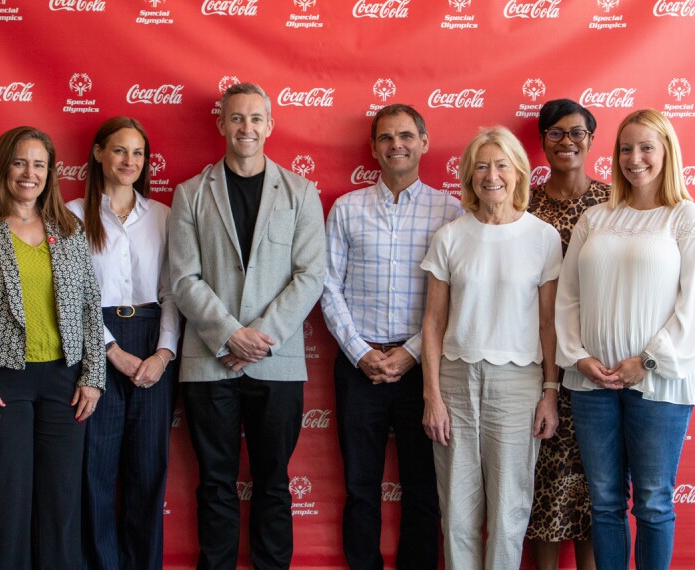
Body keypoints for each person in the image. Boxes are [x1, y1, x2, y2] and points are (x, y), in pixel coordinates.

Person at [168, 82, 325, 569]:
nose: (246, 128)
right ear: (221, 124)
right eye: (237, 118)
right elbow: (182, 277)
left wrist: (257, 339)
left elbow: (310, 275)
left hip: (275, 364)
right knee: (214, 483)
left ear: (270, 125)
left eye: (256, 118)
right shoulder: (190, 193)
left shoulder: (301, 193)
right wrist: (229, 334)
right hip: (209, 362)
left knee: (273, 481)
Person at [0, 126, 105, 569]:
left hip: (63, 382)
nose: (29, 173)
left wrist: (93, 377)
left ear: (50, 172)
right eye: (20, 162)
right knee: (1, 507)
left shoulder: (67, 229)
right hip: (0, 383)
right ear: (3, 167)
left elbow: (91, 306)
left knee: (60, 507)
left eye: (39, 164)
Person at [321, 104, 461, 569]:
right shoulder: (347, 208)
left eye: (405, 135)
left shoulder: (451, 210)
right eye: (385, 137)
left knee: (424, 488)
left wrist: (410, 353)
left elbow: (457, 295)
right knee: (361, 487)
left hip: (425, 370)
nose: (395, 144)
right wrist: (360, 353)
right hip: (358, 366)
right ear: (374, 147)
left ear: (423, 141)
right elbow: (327, 285)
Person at [556, 109, 695, 570]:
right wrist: (577, 357)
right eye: (626, 148)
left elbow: (691, 306)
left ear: (667, 152)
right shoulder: (595, 218)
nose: (635, 158)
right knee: (605, 504)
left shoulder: (685, 218)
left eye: (646, 147)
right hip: (591, 384)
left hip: (658, 385)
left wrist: (647, 361)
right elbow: (568, 296)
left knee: (653, 503)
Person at [421, 126, 562, 570]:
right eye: (481, 166)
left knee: (509, 512)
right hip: (455, 383)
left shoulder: (542, 237)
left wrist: (550, 392)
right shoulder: (449, 237)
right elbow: (433, 322)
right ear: (468, 175)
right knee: (457, 513)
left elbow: (547, 323)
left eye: (501, 165)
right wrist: (432, 396)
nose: (491, 175)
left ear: (518, 172)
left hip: (518, 383)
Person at [68, 116, 181, 569]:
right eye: (119, 150)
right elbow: (72, 296)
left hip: (154, 340)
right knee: (95, 473)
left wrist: (164, 352)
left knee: (148, 474)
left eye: (138, 153)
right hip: (96, 347)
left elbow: (174, 289)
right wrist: (111, 352)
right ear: (98, 153)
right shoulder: (71, 214)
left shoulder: (163, 215)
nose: (129, 161)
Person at [525, 98, 610, 570]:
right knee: (545, 484)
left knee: (598, 488)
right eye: (555, 133)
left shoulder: (613, 203)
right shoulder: (524, 203)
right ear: (541, 142)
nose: (567, 142)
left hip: (598, 360)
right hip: (539, 362)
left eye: (576, 132)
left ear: (592, 140)